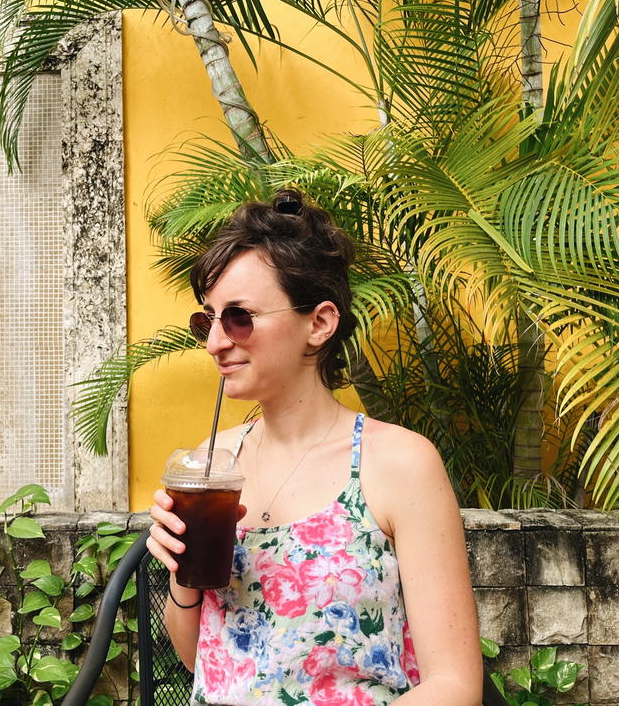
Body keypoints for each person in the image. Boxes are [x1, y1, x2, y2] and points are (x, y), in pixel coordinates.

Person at [147, 189, 482, 705]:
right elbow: (206, 663)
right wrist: (183, 578)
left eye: (239, 317)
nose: (215, 342)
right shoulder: (215, 460)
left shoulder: (398, 464)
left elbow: (454, 688)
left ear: (319, 323)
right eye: (207, 320)